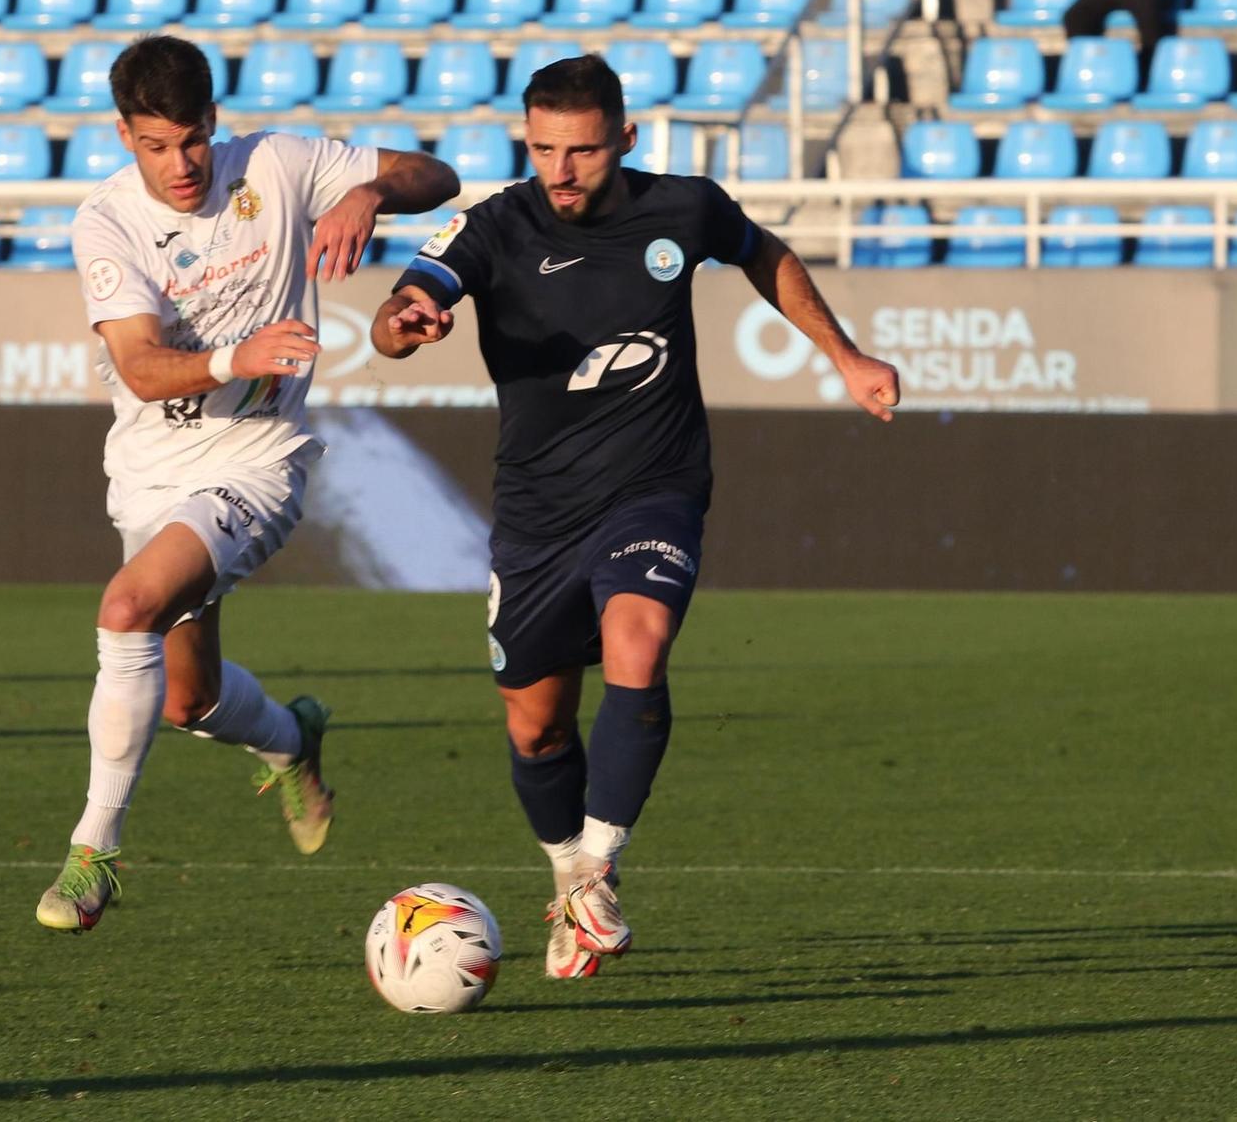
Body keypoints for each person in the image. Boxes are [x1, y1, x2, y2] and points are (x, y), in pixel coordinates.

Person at [369, 55, 900, 979]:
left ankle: (597, 871)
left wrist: (845, 357)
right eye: (542, 149)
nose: (560, 171)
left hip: (655, 486)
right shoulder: (496, 225)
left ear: (624, 138)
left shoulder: (682, 208)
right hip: (536, 510)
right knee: (536, 727)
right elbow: (407, 302)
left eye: (580, 150)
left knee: (639, 646)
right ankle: (569, 877)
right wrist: (407, 319)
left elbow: (762, 252)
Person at [41, 35, 461, 932]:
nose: (181, 164)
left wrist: (369, 189)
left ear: (213, 124)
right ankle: (290, 738)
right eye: (156, 145)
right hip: (152, 472)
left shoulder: (277, 163)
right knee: (187, 698)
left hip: (257, 459)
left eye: (191, 140)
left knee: (126, 610)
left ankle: (93, 851)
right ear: (124, 135)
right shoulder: (106, 223)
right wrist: (238, 352)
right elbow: (146, 370)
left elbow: (442, 175)